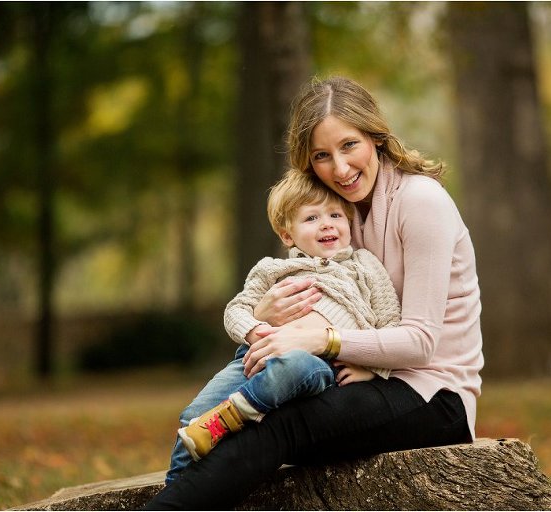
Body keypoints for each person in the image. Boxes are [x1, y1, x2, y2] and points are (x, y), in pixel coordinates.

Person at [145, 76, 484, 509]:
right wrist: (267, 316)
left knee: (279, 425)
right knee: (239, 412)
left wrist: (327, 342)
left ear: (376, 138)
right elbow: (316, 298)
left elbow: (420, 341)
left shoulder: (420, 203)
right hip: (357, 376)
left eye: (349, 146)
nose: (340, 169)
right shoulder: (337, 213)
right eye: (322, 156)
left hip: (433, 394)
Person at [166, 169, 401, 482]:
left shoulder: (365, 266)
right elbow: (236, 309)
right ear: (287, 235)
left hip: (320, 363)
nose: (327, 223)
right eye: (311, 218)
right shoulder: (272, 270)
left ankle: (237, 412)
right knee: (194, 416)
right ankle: (177, 489)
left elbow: (390, 323)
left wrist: (373, 370)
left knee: (293, 365)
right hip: (255, 359)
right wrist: (255, 330)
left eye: (335, 214)